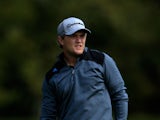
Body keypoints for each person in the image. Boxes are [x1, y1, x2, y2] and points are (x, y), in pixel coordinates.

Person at [40, 17, 128, 120]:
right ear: (61, 40)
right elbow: (47, 116)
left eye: (82, 36)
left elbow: (120, 95)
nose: (79, 41)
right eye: (73, 36)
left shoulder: (101, 60)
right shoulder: (52, 77)